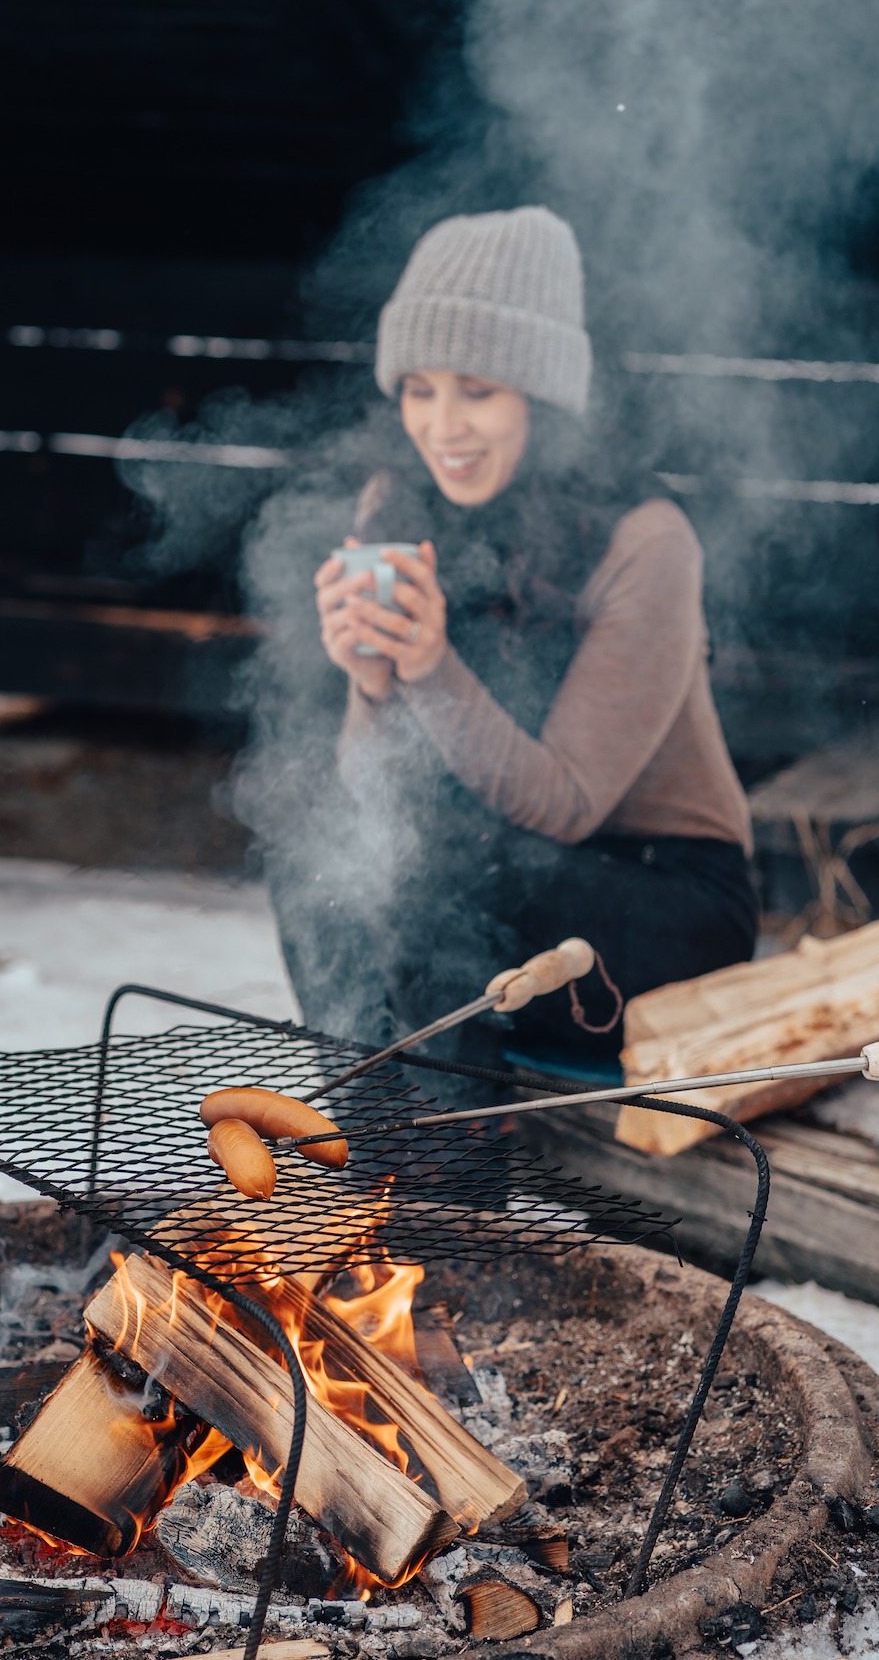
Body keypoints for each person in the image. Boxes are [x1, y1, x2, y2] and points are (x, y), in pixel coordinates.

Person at [293, 206, 756, 1078]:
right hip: (492, 900)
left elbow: (567, 802)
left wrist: (428, 667)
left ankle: (448, 1194)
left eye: (478, 391)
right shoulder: (397, 503)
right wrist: (368, 680)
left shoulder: (646, 540)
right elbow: (374, 794)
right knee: (322, 859)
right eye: (421, 388)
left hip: (662, 911)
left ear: (542, 399)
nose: (443, 426)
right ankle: (376, 1159)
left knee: (432, 860)